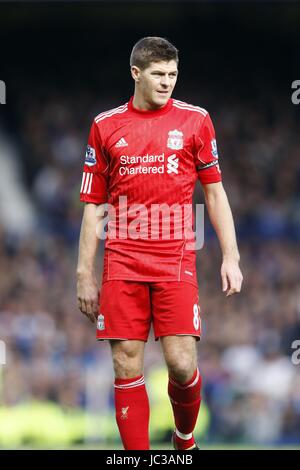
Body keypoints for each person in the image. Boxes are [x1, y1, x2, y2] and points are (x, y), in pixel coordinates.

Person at [77, 36, 243, 450]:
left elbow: (215, 193)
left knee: (182, 364)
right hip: (122, 260)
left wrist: (231, 256)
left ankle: (184, 441)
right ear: (136, 73)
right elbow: (93, 205)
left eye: (172, 74)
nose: (167, 82)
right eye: (158, 74)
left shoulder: (196, 121)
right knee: (124, 361)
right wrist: (83, 273)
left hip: (175, 258)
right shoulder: (105, 125)